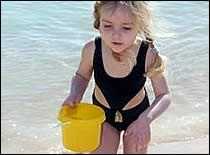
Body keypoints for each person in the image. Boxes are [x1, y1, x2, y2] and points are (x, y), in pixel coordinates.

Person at [62, 1, 171, 154]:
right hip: (103, 116)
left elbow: (164, 95)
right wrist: (75, 94)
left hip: (137, 117)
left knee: (135, 148)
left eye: (126, 28)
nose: (116, 34)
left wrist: (145, 120)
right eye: (107, 26)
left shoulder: (147, 54)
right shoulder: (92, 50)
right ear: (98, 24)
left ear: (139, 27)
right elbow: (81, 76)